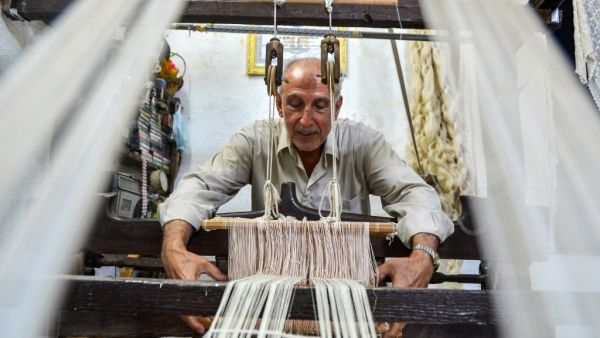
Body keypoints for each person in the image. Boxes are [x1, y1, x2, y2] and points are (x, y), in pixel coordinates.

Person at [158, 57, 454, 335]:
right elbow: (199, 188)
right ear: (278, 105)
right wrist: (173, 247)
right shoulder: (254, 142)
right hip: (267, 309)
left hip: (346, 310)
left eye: (320, 106)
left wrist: (422, 256)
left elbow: (414, 193)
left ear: (338, 108)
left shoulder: (363, 144)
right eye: (295, 104)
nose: (305, 120)